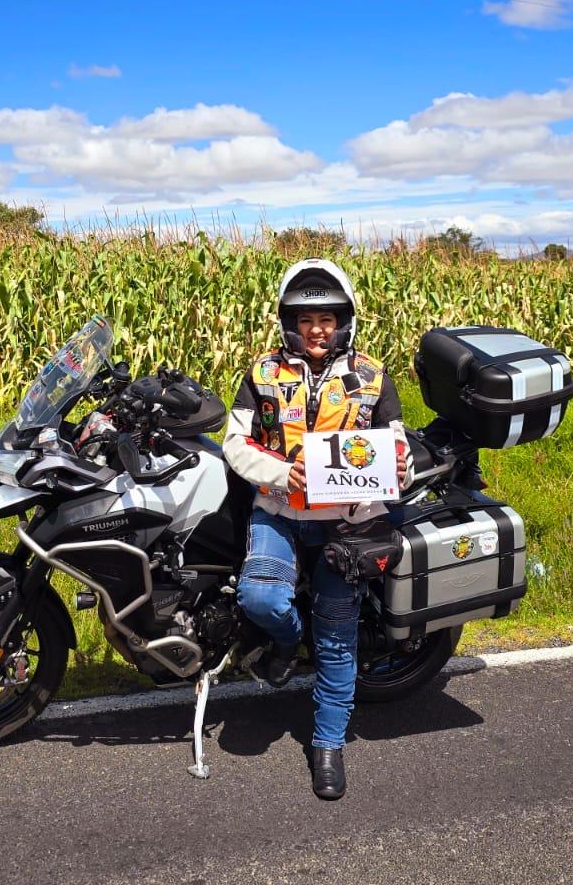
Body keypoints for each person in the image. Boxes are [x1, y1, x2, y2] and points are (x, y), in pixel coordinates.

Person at [223, 257, 408, 800]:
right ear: (290, 322)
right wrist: (282, 472)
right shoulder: (262, 375)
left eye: (327, 317)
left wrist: (401, 466)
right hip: (280, 512)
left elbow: (395, 445)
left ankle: (328, 746)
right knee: (259, 599)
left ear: (344, 320)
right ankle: (285, 639)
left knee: (337, 636)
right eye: (307, 319)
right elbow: (234, 443)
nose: (318, 329)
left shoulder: (372, 378)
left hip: (346, 524)